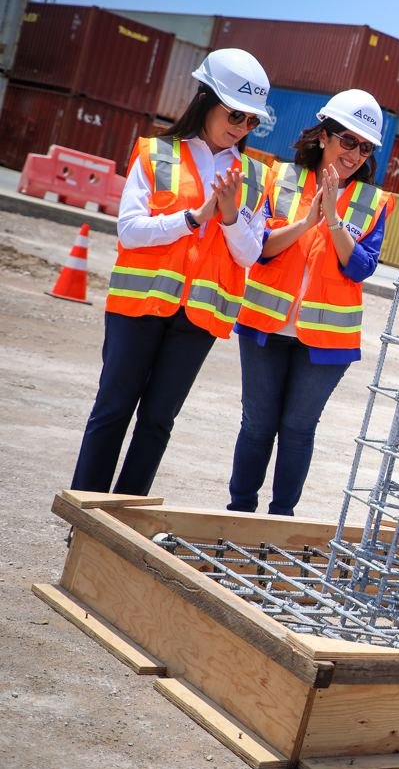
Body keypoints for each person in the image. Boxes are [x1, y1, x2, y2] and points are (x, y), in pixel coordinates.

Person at [70, 48, 272, 496]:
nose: (242, 128)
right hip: (139, 306)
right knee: (112, 409)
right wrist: (194, 218)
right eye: (235, 115)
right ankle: (83, 513)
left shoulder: (256, 176)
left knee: (158, 420)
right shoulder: (156, 153)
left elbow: (247, 256)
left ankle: (123, 523)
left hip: (197, 320)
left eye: (252, 121)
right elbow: (129, 230)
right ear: (206, 100)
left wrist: (230, 216)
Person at [227, 90, 393, 516]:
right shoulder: (277, 178)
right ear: (324, 136)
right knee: (257, 426)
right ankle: (239, 514)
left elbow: (359, 268)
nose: (355, 153)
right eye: (348, 141)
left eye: (365, 147)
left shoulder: (374, 202)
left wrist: (334, 218)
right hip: (265, 325)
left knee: (299, 430)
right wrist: (306, 222)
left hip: (327, 340)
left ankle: (280, 521)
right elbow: (261, 248)